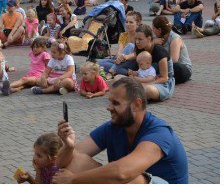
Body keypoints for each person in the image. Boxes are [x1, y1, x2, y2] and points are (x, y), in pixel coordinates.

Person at [52, 77, 188, 183]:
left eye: (116, 103)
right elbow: (60, 163)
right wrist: (69, 147)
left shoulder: (159, 133)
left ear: (136, 104)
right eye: (110, 101)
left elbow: (123, 173)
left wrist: (74, 179)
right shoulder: (113, 126)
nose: (109, 107)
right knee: (76, 160)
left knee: (135, 179)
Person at [111, 25, 173, 102]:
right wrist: (123, 57)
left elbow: (164, 78)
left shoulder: (160, 52)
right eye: (136, 39)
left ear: (149, 39)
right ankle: (132, 95)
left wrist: (148, 84)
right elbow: (134, 57)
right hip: (142, 80)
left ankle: (127, 95)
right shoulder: (140, 48)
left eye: (140, 39)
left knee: (148, 90)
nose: (137, 42)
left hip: (159, 83)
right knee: (117, 78)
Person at [152, 16, 193, 85]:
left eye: (153, 28)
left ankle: (160, 78)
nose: (152, 30)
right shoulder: (156, 38)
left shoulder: (175, 38)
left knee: (175, 67)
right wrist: (152, 43)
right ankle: (159, 78)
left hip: (181, 69)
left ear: (159, 30)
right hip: (165, 68)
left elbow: (173, 60)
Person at [98, 12, 140, 77]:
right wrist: (119, 58)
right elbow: (119, 52)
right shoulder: (123, 35)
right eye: (126, 22)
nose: (128, 24)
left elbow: (138, 53)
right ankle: (127, 72)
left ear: (137, 24)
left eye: (131, 22)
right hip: (120, 61)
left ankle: (111, 72)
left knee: (130, 46)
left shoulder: (140, 35)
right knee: (98, 63)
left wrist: (125, 57)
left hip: (133, 62)